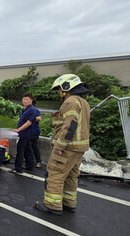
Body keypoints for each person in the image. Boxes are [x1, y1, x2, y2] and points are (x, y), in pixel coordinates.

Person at [35, 74, 91, 216]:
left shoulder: (70, 101)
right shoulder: (83, 102)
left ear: (66, 87)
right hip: (79, 148)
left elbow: (70, 126)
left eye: (59, 89)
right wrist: (57, 116)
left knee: (55, 174)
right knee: (71, 176)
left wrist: (60, 147)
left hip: (68, 147)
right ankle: (68, 203)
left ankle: (52, 204)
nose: (59, 93)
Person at [9, 94, 36, 174]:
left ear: (31, 100)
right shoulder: (25, 109)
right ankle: (30, 166)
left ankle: (18, 169)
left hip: (25, 133)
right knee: (28, 150)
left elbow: (29, 122)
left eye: (26, 99)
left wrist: (18, 130)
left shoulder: (32, 110)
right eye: (23, 99)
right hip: (24, 133)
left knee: (20, 151)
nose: (24, 101)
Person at [30, 100, 42, 168]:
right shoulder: (26, 110)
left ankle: (38, 161)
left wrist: (30, 117)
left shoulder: (35, 110)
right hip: (28, 132)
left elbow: (39, 118)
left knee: (34, 146)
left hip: (34, 131)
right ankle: (30, 161)